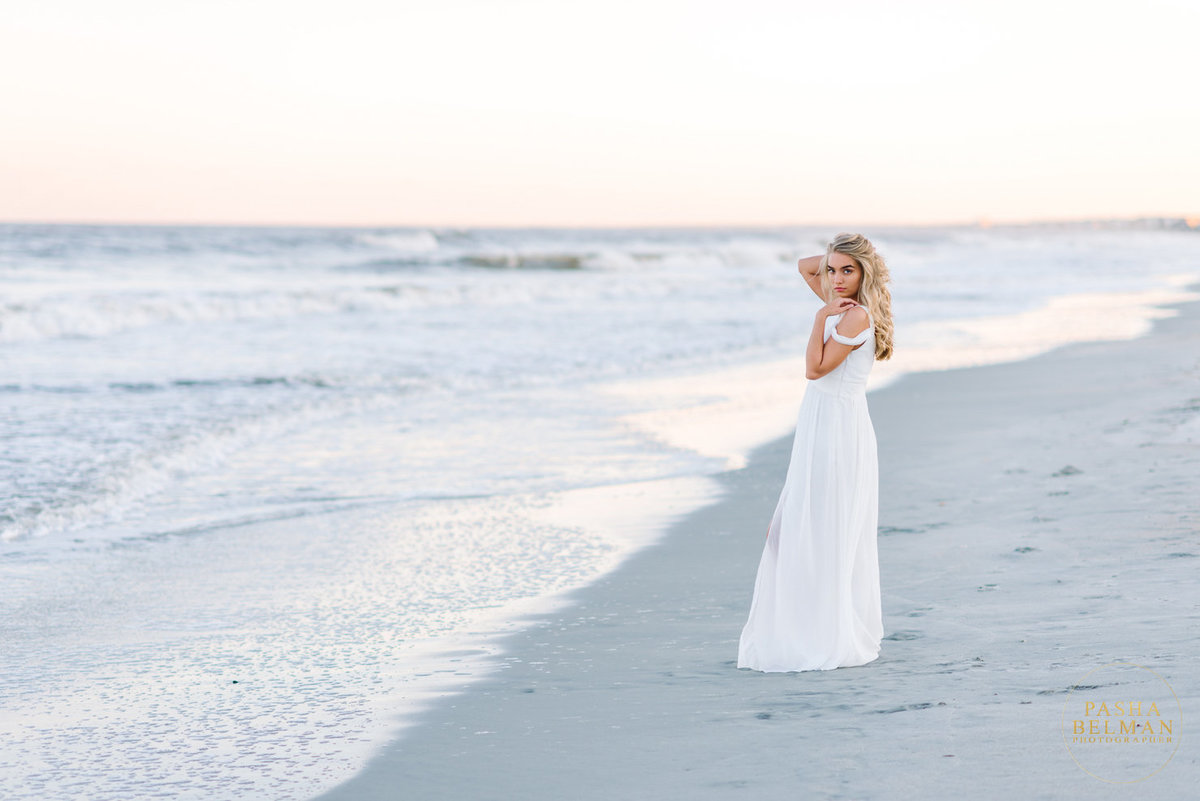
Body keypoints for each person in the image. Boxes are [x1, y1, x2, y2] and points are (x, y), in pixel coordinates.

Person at [737, 232, 894, 672]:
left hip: (838, 431)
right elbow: (804, 265)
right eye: (833, 270)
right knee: (800, 528)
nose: (835, 279)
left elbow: (814, 369)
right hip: (823, 426)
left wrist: (819, 315)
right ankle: (811, 626)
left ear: (865, 273)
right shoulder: (842, 305)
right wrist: (837, 259)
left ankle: (824, 632)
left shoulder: (854, 316)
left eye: (848, 270)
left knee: (812, 529)